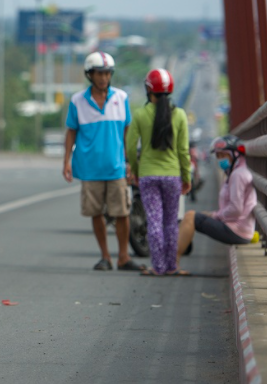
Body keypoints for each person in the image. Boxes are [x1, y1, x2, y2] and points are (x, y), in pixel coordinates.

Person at [63, 51, 143, 272]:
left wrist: (130, 162)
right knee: (95, 212)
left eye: (107, 73)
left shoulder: (121, 98)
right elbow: (71, 132)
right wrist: (66, 161)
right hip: (89, 167)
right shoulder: (77, 101)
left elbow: (127, 132)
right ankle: (105, 256)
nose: (103, 78)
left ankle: (124, 257)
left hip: (116, 166)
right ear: (90, 75)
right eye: (99, 73)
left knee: (122, 213)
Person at [126, 68, 192, 277]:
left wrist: (136, 171)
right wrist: (186, 177)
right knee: (171, 222)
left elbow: (129, 147)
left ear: (148, 90)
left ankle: (158, 266)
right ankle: (172, 266)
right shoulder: (179, 115)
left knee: (154, 221)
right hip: (173, 176)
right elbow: (183, 150)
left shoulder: (140, 114)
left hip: (147, 176)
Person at [176, 135, 256, 261]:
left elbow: (236, 209)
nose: (220, 160)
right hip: (237, 228)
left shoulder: (238, 175)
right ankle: (175, 255)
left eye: (223, 155)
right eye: (218, 156)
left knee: (191, 216)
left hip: (237, 231)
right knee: (189, 216)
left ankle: (173, 262)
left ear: (234, 154)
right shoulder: (234, 172)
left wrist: (215, 215)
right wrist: (213, 215)